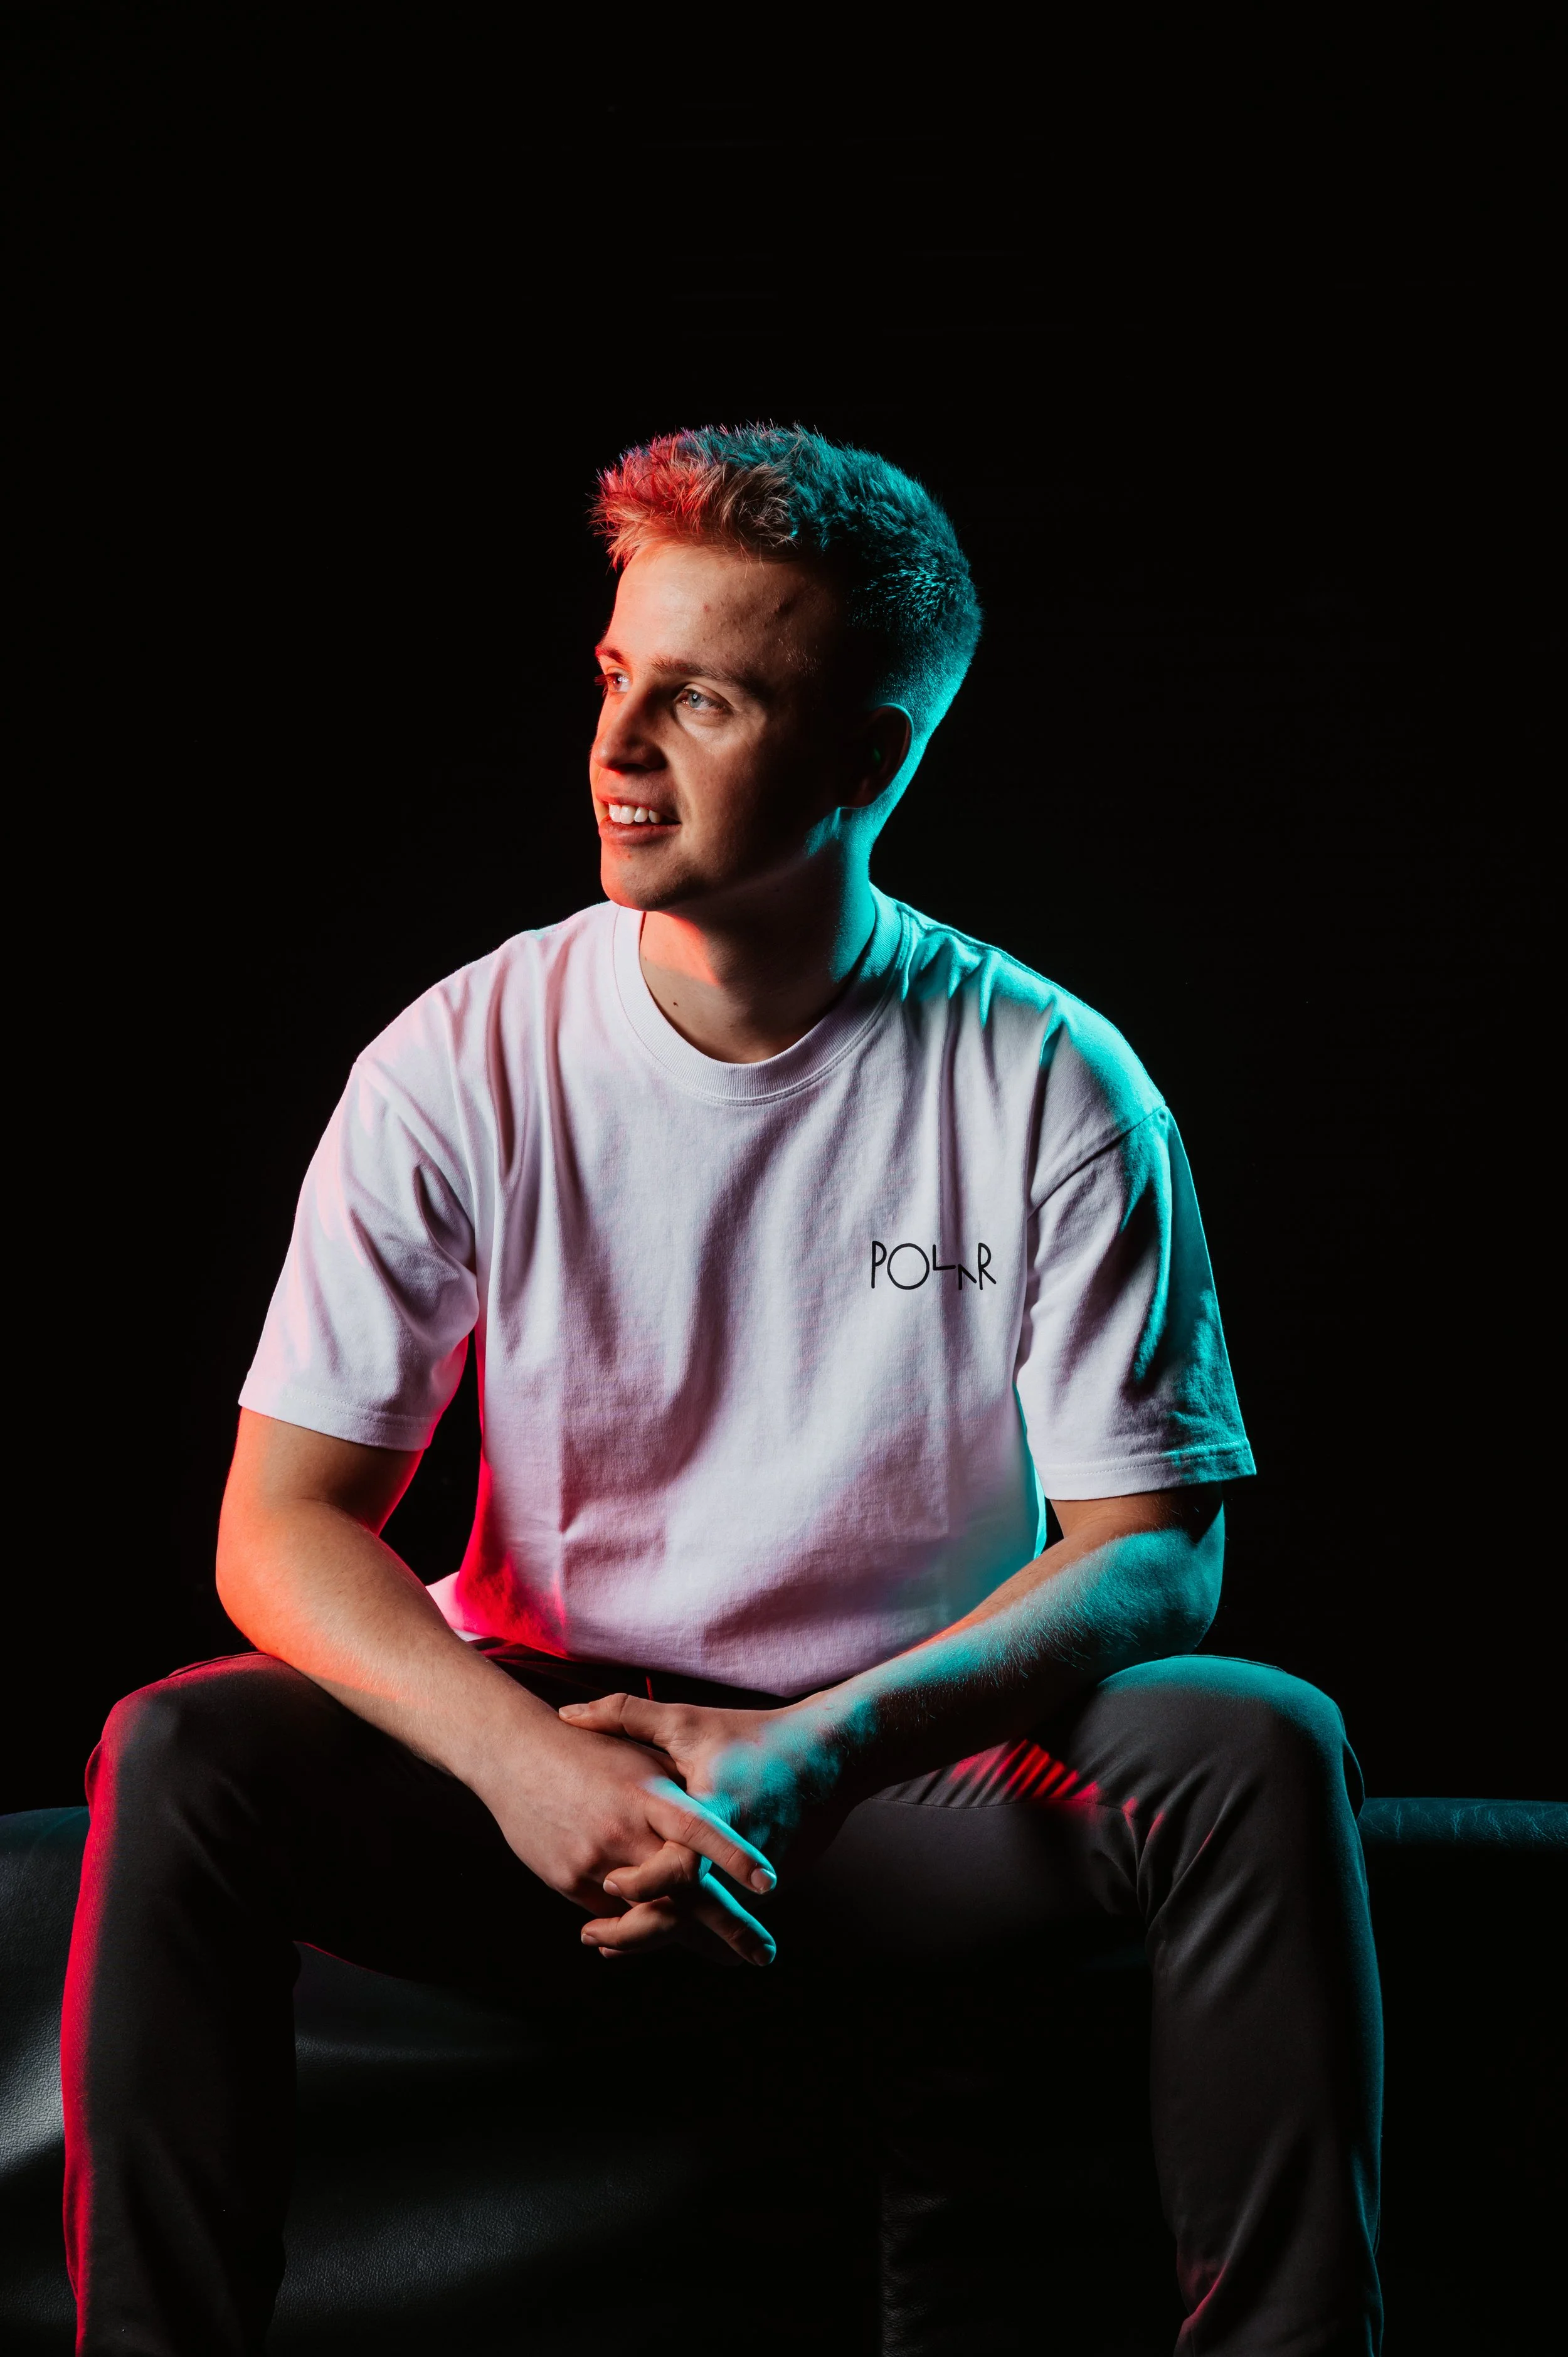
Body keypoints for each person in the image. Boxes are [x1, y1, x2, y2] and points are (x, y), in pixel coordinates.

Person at [61, 425, 1382, 2354]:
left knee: (1253, 1739)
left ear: (865, 760)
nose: (618, 748)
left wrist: (823, 1741)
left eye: (706, 700)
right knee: (177, 1751)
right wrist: (530, 1767)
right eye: (616, 676)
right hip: (543, 1757)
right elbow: (277, 1522)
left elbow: (1150, 1556)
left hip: (901, 1779)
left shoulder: (1048, 1079)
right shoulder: (459, 1057)